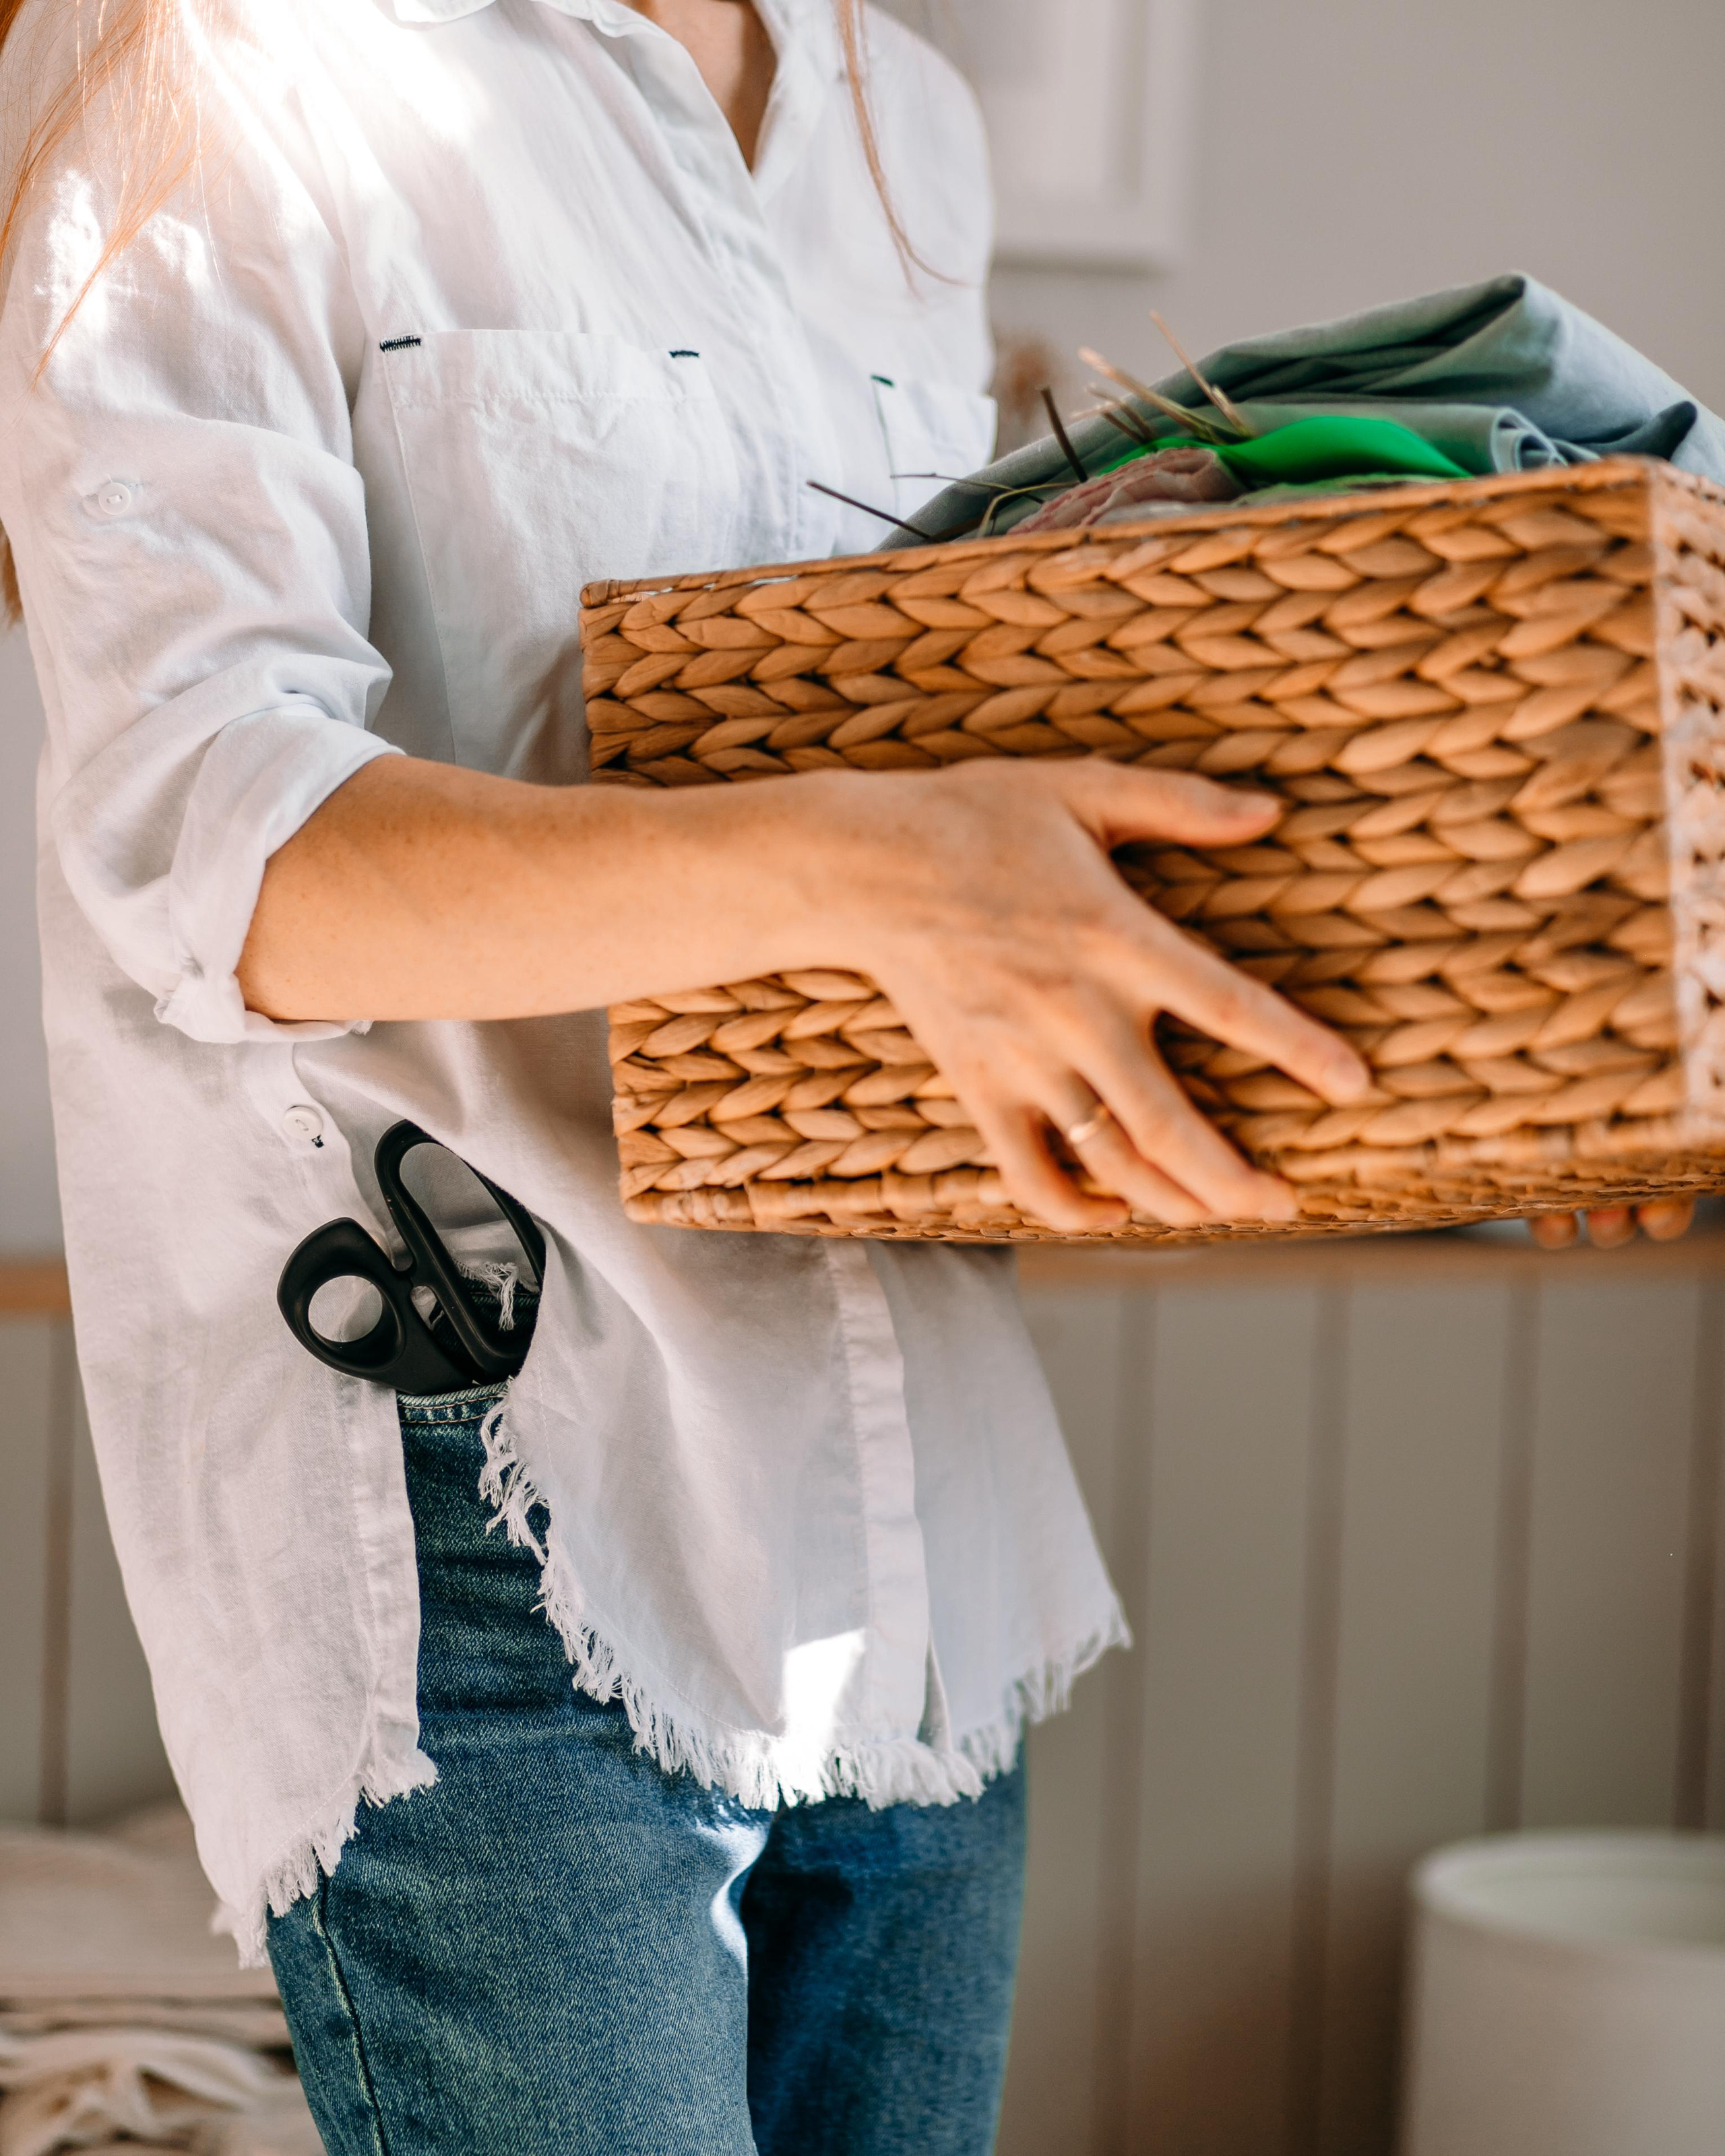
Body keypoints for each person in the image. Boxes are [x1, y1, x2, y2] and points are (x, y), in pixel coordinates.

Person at [0, 3, 1683, 2151]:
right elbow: (218, 848)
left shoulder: (906, 122)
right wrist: (874, 866)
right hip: (486, 1493)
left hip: (914, 1511)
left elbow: (936, 875)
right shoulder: (232, 45)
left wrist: (1483, 1106)